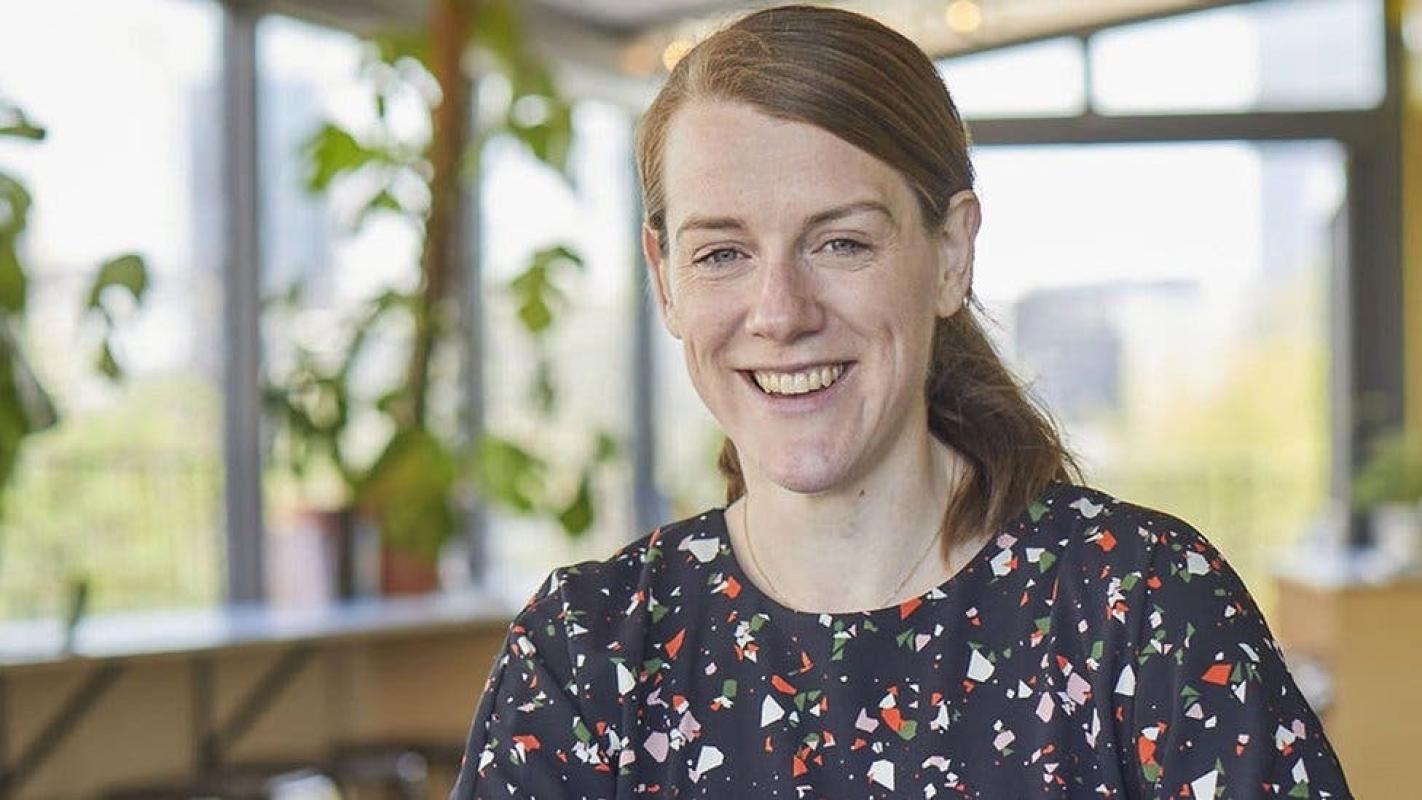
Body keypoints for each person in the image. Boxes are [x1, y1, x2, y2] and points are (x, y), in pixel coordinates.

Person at [450, 5, 1351, 798]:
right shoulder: (587, 656)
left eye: (840, 243)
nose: (780, 313)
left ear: (951, 253)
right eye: (722, 254)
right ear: (665, 280)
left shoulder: (1144, 611)